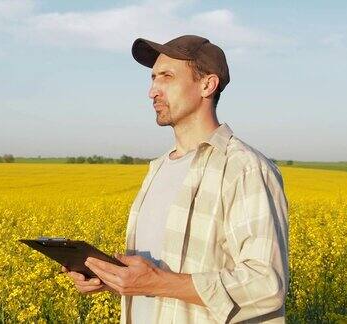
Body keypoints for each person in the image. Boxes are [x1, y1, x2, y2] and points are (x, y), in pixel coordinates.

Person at [62, 35, 289, 323]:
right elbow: (162, 276)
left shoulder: (243, 168)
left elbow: (266, 285)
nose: (152, 91)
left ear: (207, 85)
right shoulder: (158, 168)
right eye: (153, 78)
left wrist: (158, 281)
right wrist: (116, 280)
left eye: (167, 77)